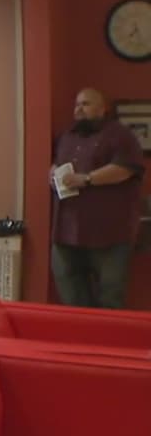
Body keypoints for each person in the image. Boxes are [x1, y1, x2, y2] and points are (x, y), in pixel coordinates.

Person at [50, 87, 145, 309]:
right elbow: (56, 163)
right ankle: (82, 331)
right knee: (71, 295)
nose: (79, 109)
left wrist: (86, 179)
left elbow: (125, 169)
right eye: (77, 105)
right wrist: (53, 172)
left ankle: (107, 333)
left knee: (110, 298)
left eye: (86, 104)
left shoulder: (120, 135)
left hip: (109, 233)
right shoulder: (66, 136)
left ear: (102, 109)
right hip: (66, 231)